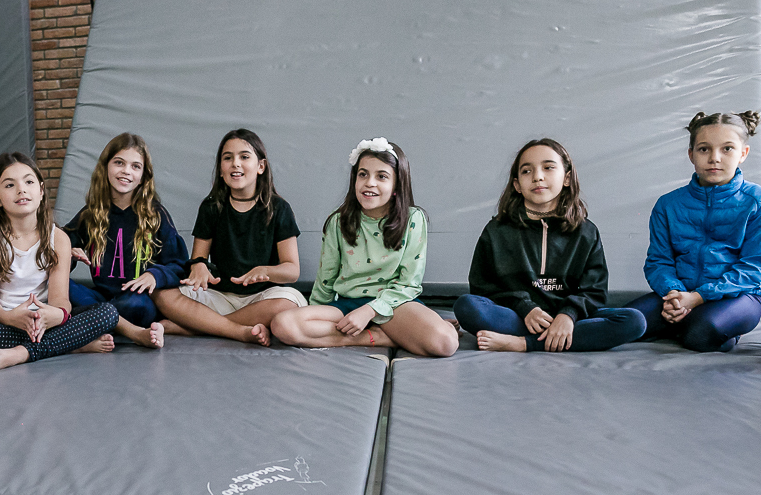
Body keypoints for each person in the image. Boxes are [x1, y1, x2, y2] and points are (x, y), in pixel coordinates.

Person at [453, 138, 646, 352]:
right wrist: (525, 308)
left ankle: (523, 343)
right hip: (518, 316)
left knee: (634, 321)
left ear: (567, 178)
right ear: (516, 184)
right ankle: (555, 340)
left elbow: (595, 291)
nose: (537, 176)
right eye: (527, 171)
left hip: (569, 321)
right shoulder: (496, 231)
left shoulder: (586, 232)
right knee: (467, 306)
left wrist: (568, 315)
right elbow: (482, 287)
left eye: (548, 167)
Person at [271, 138, 458, 356]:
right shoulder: (338, 222)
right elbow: (325, 280)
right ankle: (377, 338)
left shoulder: (413, 219)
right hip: (347, 306)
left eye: (381, 176)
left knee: (445, 343)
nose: (370, 182)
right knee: (283, 324)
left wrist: (369, 311)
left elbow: (409, 283)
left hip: (393, 306)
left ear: (397, 185)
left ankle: (383, 332)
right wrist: (312, 313)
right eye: (363, 174)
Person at [0, 152, 118, 372]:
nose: (21, 189)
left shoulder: (58, 238)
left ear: (41, 191)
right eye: (9, 185)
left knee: (108, 314)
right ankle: (68, 345)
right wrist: (11, 317)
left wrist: (55, 315)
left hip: (47, 322)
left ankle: (22, 353)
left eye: (29, 182)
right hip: (8, 323)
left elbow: (61, 299)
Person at [152, 129, 305, 345]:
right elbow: (199, 260)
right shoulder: (211, 207)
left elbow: (292, 271)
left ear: (261, 166)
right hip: (220, 296)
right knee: (162, 294)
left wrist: (265, 272)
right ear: (221, 169)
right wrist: (199, 267)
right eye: (228, 158)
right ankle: (237, 331)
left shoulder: (279, 208)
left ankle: (197, 328)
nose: (235, 163)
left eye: (244, 156)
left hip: (262, 298)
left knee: (287, 305)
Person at [626, 111, 761, 351]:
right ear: (691, 154)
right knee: (624, 321)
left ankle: (712, 328)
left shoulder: (755, 202)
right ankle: (684, 321)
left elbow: (754, 268)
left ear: (743, 153)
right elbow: (658, 261)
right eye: (704, 149)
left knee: (700, 332)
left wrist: (698, 298)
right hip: (680, 293)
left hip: (740, 297)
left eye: (727, 149)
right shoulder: (668, 204)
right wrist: (674, 294)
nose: (714, 158)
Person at [64, 133, 188, 349]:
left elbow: (179, 264)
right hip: (101, 296)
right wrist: (69, 252)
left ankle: (96, 321)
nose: (126, 171)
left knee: (136, 305)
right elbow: (60, 245)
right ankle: (111, 321)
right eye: (119, 163)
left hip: (137, 300)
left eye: (135, 166)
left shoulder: (155, 215)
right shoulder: (91, 214)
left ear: (143, 175)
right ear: (106, 167)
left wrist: (154, 275)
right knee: (59, 286)